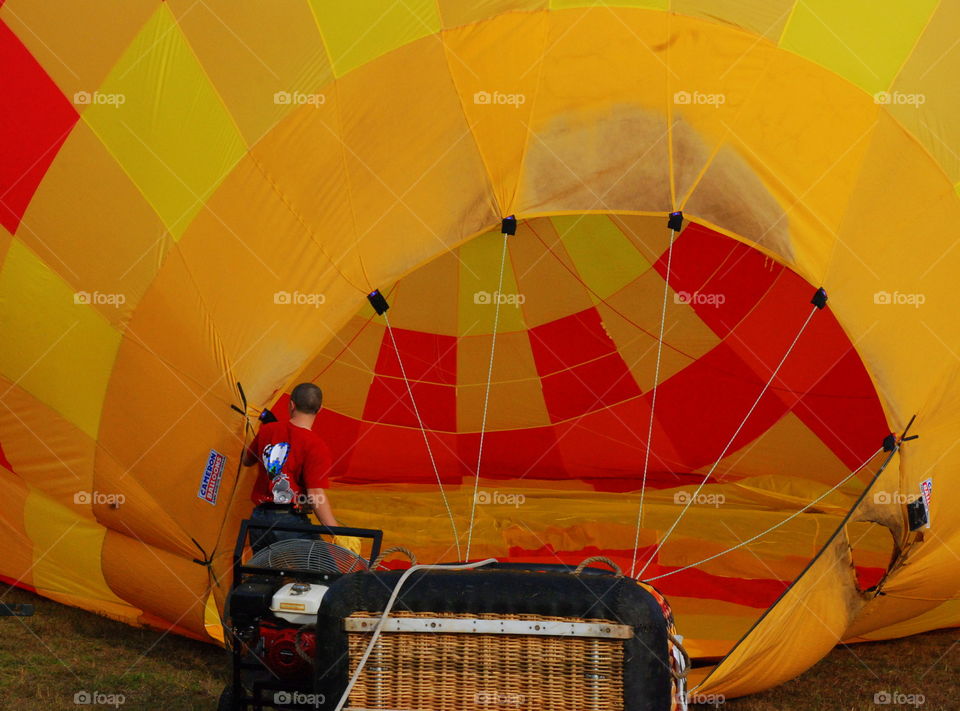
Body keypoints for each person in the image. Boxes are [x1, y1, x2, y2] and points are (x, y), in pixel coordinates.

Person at [242, 382, 339, 552]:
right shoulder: (316, 446)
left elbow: (247, 460)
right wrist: (338, 534)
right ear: (320, 409)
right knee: (326, 573)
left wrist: (262, 432)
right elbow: (316, 494)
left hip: (258, 520)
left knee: (265, 576)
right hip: (288, 521)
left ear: (291, 404)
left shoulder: (268, 430)